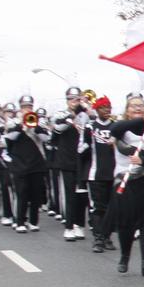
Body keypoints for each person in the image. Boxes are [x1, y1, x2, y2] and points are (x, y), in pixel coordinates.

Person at [108, 94, 144, 276]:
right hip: (126, 180)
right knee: (127, 222)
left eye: (141, 105)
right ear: (127, 110)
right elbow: (115, 129)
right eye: (133, 106)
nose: (138, 108)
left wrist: (143, 160)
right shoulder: (121, 129)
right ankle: (125, 257)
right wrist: (141, 120)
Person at [2, 95, 49, 232]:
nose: (27, 109)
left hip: (37, 163)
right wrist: (21, 126)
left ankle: (33, 221)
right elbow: (9, 138)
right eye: (24, 107)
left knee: (35, 194)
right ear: (20, 108)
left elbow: (47, 138)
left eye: (29, 106)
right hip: (19, 164)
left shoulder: (39, 122)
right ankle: (20, 221)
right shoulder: (13, 122)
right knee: (22, 192)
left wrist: (35, 129)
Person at [52, 87, 90, 241]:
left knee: (82, 194)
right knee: (69, 194)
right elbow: (59, 127)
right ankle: (69, 226)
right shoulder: (61, 114)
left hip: (83, 159)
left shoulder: (85, 114)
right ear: (67, 100)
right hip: (66, 159)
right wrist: (73, 113)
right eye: (71, 99)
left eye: (77, 98)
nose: (74, 101)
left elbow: (90, 129)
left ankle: (79, 225)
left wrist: (86, 110)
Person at [82, 95, 118, 252]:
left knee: (112, 208)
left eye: (109, 107)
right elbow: (80, 149)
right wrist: (86, 142)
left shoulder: (116, 127)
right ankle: (98, 238)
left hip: (114, 173)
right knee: (98, 208)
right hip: (96, 174)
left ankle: (107, 237)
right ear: (97, 110)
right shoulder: (90, 127)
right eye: (104, 108)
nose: (107, 110)